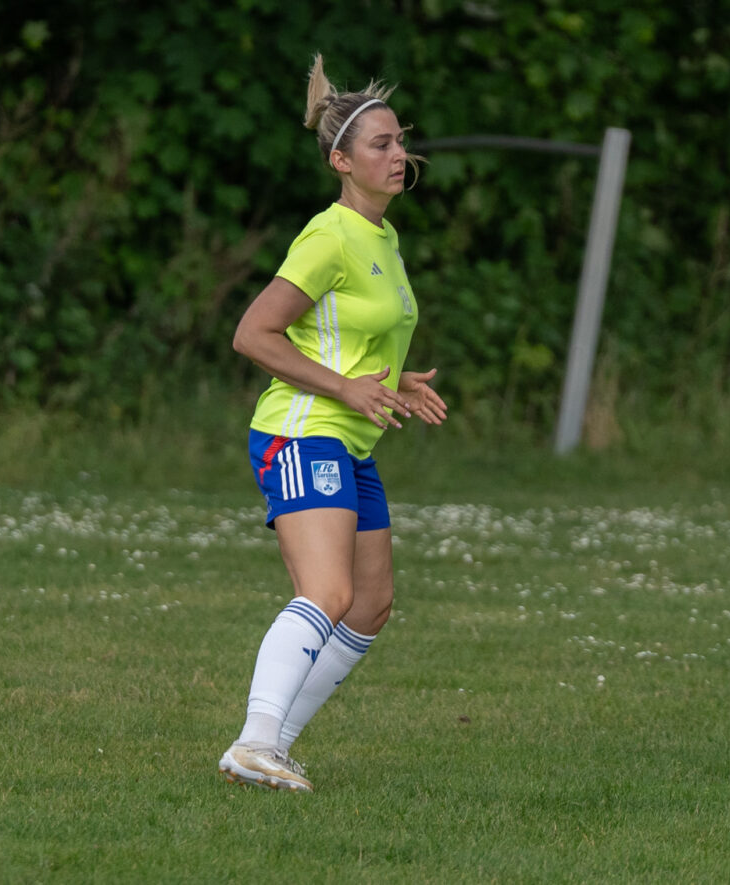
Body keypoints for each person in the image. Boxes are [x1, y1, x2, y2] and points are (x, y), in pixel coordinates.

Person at [218, 53, 447, 792]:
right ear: (341, 161)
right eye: (381, 144)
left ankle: (270, 746)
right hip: (301, 430)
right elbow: (254, 334)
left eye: (400, 140)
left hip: (349, 438)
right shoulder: (330, 236)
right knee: (328, 592)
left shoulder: (383, 239)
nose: (399, 154)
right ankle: (255, 741)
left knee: (371, 606)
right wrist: (346, 388)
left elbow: (344, 336)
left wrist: (392, 379)